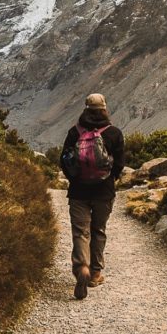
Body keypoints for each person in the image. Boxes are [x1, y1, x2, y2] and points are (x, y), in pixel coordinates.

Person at [59, 93, 124, 300]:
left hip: (78, 192)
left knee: (80, 232)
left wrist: (74, 179)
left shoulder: (74, 132)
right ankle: (95, 273)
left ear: (85, 109)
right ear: (104, 108)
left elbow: (64, 160)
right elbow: (120, 164)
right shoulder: (113, 133)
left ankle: (81, 269)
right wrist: (109, 179)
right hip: (104, 192)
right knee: (98, 230)